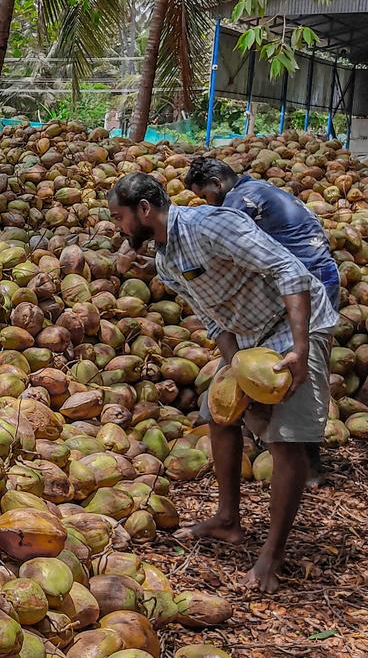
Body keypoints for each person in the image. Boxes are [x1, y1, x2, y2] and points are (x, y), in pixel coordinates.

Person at [108, 173, 338, 593]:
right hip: (249, 336)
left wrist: (301, 347)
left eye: (118, 217)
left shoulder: (211, 225)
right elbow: (214, 319)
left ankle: (272, 555)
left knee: (287, 439)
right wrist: (236, 369)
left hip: (294, 326)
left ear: (144, 210)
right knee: (218, 413)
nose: (118, 227)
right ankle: (228, 520)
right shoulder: (165, 259)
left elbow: (290, 271)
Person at [184, 157, 339, 486]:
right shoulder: (258, 189)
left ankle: (304, 463)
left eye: (205, 196)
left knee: (296, 374)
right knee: (278, 370)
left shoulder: (240, 202)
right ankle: (278, 445)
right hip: (312, 277)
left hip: (305, 283)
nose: (206, 203)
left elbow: (226, 251)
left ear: (216, 183)